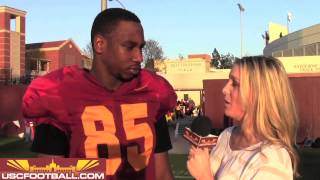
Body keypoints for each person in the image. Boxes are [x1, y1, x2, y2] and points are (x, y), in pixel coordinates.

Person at [22, 8, 177, 180]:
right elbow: (50, 174)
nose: (139, 57)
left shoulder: (151, 92)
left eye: (140, 47)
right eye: (129, 47)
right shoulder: (59, 95)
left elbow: (162, 173)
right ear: (100, 44)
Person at [187, 56, 299, 180]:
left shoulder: (272, 160)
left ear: (259, 94)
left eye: (235, 84)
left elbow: (205, 175)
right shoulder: (226, 136)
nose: (224, 89)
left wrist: (204, 176)